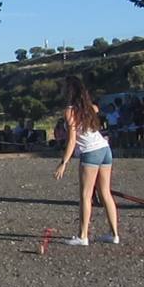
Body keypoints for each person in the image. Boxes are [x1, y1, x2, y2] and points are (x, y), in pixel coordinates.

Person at [53, 75, 119, 246]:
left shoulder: (69, 111)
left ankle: (82, 236)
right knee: (105, 193)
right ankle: (114, 234)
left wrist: (64, 162)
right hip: (104, 149)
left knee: (85, 195)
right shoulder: (91, 108)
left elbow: (72, 140)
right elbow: (95, 109)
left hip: (90, 153)